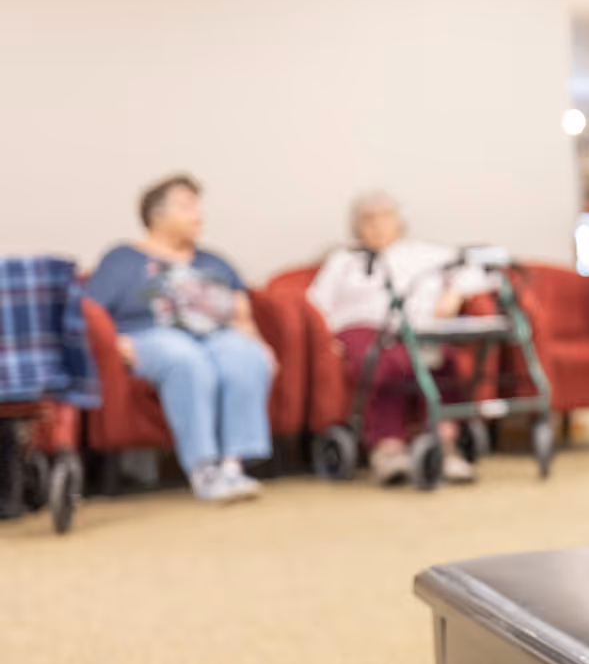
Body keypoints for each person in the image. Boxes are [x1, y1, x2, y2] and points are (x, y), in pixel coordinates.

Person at [86, 174, 275, 504]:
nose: (197, 215)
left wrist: (260, 345)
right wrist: (113, 345)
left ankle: (232, 466)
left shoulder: (213, 261)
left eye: (198, 207)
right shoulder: (122, 259)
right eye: (187, 207)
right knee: (186, 358)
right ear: (156, 215)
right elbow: (91, 312)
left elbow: (242, 315)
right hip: (150, 337)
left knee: (245, 356)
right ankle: (203, 469)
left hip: (216, 335)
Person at [305, 191, 489, 486]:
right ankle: (388, 448)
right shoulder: (343, 261)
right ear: (356, 227)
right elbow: (314, 305)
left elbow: (475, 271)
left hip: (416, 329)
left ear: (399, 223)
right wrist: (327, 341)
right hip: (360, 328)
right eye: (368, 219)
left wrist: (452, 295)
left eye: (385, 217)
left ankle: (446, 443)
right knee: (386, 362)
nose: (377, 226)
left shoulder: (424, 254)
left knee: (442, 360)